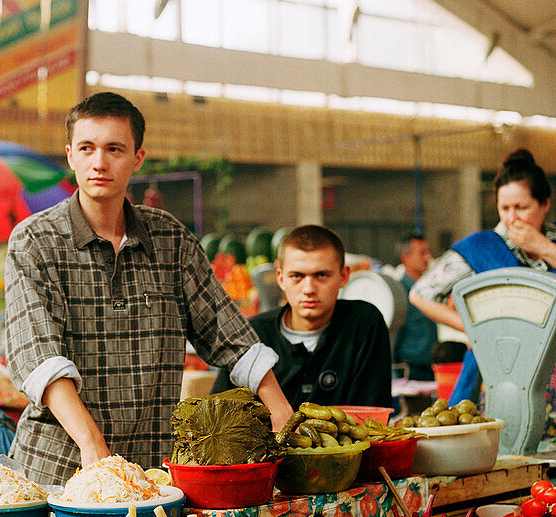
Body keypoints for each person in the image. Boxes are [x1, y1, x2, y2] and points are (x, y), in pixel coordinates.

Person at [3, 91, 293, 485]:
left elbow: (226, 329)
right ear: (70, 155)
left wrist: (280, 410)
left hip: (151, 472)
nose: (99, 162)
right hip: (60, 471)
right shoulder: (34, 241)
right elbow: (37, 356)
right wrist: (93, 448)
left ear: (137, 157)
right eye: (87, 148)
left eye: (114, 149)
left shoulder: (170, 239)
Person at [409, 148, 556, 414]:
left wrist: (545, 247)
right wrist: (477, 329)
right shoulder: (481, 246)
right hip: (500, 374)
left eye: (521, 208)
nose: (512, 218)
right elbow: (420, 294)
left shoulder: (554, 241)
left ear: (544, 204)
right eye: (505, 208)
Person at [212, 225, 393, 408]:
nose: (309, 289)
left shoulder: (363, 324)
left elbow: (371, 416)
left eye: (321, 275)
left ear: (343, 276)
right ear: (281, 278)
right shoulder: (252, 334)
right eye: (297, 276)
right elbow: (219, 414)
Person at [393, 233, 438, 381]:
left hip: (429, 369)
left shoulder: (428, 289)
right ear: (405, 257)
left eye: (428, 252)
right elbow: (393, 337)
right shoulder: (400, 292)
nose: (427, 258)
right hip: (409, 372)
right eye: (422, 253)